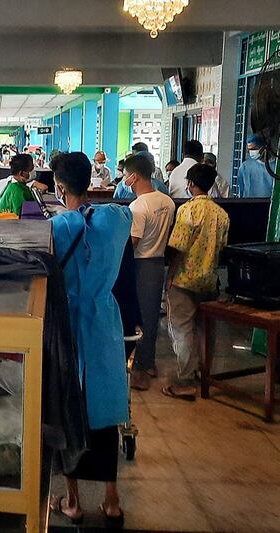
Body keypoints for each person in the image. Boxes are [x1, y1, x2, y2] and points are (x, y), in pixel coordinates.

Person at [48, 152, 131, 528]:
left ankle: (73, 499)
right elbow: (127, 213)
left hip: (69, 322)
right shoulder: (114, 219)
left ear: (60, 187)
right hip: (104, 322)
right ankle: (112, 502)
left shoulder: (58, 227)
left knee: (69, 407)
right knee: (106, 409)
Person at [163, 164, 230, 401]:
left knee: (182, 329)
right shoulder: (222, 215)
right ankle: (205, 375)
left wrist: (170, 275)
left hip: (184, 279)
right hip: (210, 281)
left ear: (190, 184)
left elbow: (178, 247)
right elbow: (221, 247)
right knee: (205, 330)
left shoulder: (187, 211)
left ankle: (184, 381)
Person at [122, 155, 176, 391]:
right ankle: (150, 362)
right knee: (152, 316)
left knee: (139, 318)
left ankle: (141, 371)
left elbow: (133, 241)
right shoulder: (167, 201)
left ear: (134, 176)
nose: (124, 179)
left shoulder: (138, 206)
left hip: (140, 264)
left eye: (125, 175)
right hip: (159, 262)